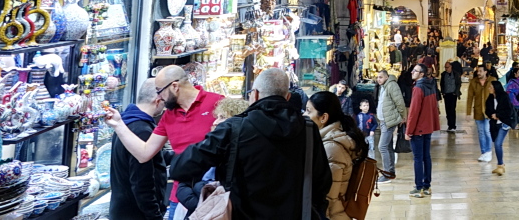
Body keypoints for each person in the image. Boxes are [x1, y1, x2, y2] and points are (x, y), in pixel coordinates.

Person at [169, 68, 333, 220]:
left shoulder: (234, 128)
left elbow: (181, 168)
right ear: (288, 97)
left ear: (255, 94)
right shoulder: (309, 130)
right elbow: (322, 181)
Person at [105, 66, 224, 220]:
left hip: (213, 197)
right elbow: (144, 153)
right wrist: (118, 124)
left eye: (160, 91)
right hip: (181, 198)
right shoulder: (168, 116)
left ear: (174, 86)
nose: (159, 97)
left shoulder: (217, 102)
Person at [174, 97, 250, 218]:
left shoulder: (242, 156)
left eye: (222, 117)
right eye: (217, 117)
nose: (215, 122)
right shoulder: (208, 147)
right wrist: (204, 206)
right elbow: (182, 187)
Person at [307, 91, 369, 220]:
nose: (304, 115)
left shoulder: (331, 147)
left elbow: (329, 196)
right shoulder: (333, 138)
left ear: (323, 117)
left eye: (308, 111)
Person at [109, 80, 166, 220]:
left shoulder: (125, 121)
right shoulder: (142, 131)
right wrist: (155, 216)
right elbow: (142, 184)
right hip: (136, 213)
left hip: (122, 208)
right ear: (157, 101)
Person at [404, 63, 440, 198]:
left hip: (418, 128)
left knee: (418, 158)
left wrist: (408, 131)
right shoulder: (431, 85)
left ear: (422, 74)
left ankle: (418, 188)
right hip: (427, 127)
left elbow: (413, 112)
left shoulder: (418, 88)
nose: (412, 72)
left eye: (416, 71)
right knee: (426, 157)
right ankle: (427, 186)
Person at [375, 69, 407, 183]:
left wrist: (403, 116)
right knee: (387, 147)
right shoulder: (383, 86)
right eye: (377, 77)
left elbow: (399, 101)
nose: (378, 79)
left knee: (382, 147)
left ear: (387, 77)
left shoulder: (392, 85)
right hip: (384, 121)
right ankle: (390, 172)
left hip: (390, 121)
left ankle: (387, 174)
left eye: (381, 77)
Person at [484, 79, 517, 176]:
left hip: (504, 123)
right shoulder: (490, 98)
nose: (489, 88)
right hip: (494, 124)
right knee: (496, 142)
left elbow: (508, 111)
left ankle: (500, 165)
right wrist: (491, 115)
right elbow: (487, 110)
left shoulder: (504, 97)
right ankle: (500, 165)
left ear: (495, 88)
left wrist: (498, 115)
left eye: (491, 87)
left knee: (498, 143)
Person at [465, 65, 495, 162]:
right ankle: (483, 152)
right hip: (478, 111)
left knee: (487, 131)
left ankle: (489, 152)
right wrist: (468, 112)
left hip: (489, 111)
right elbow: (470, 98)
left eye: (481, 71)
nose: (478, 73)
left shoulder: (492, 80)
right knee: (481, 132)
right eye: (478, 71)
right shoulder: (473, 82)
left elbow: (498, 95)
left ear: (485, 72)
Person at [440, 60, 462, 131]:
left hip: (453, 94)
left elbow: (458, 83)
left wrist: (456, 92)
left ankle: (453, 125)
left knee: (452, 109)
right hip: (446, 94)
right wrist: (443, 92)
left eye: (447, 67)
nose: (446, 69)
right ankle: (449, 125)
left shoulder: (456, 74)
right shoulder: (443, 74)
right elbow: (442, 84)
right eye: (445, 67)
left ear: (451, 67)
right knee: (447, 110)